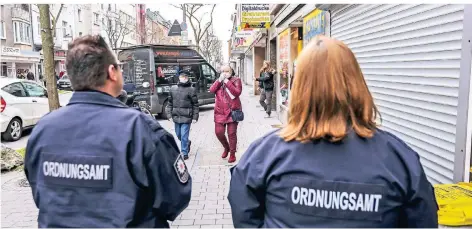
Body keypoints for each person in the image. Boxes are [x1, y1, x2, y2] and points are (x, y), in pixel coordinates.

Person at [228, 35, 438, 228]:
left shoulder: (263, 157)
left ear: (299, 88)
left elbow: (245, 217)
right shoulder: (399, 160)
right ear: (356, 84)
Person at [24, 35, 191, 228]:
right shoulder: (140, 130)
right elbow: (175, 198)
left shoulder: (42, 131)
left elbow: (40, 195)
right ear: (112, 72)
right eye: (119, 66)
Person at [209, 66, 242, 163]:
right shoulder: (219, 81)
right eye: (223, 71)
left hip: (232, 111)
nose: (224, 73)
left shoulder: (236, 80)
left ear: (231, 71)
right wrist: (219, 80)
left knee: (231, 133)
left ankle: (232, 153)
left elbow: (237, 92)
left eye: (227, 71)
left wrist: (227, 82)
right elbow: (211, 90)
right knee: (219, 132)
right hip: (220, 111)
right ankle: (226, 147)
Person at [165, 70, 199, 160]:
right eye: (181, 77)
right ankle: (187, 143)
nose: (183, 78)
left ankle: (184, 152)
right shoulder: (173, 88)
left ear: (187, 78)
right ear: (179, 78)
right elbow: (169, 103)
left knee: (184, 135)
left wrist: (195, 117)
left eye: (185, 77)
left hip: (187, 116)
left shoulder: (191, 89)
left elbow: (195, 104)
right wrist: (169, 115)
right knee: (178, 134)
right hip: (176, 116)